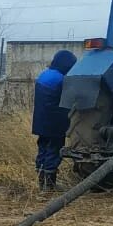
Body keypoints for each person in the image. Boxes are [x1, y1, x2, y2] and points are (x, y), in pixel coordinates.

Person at [32, 49, 77, 191]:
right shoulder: (61, 79)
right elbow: (69, 100)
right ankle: (50, 185)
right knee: (54, 151)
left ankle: (41, 183)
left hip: (40, 121)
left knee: (43, 149)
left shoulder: (44, 75)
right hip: (55, 124)